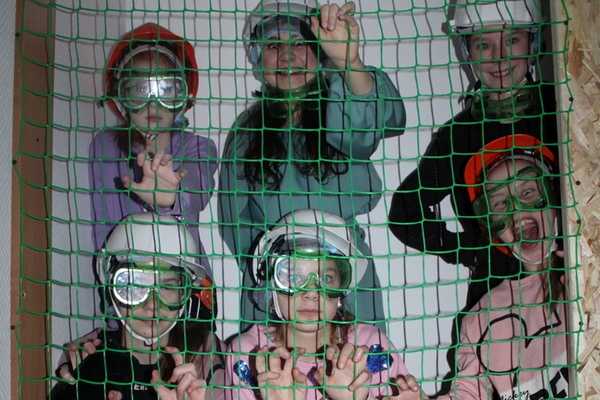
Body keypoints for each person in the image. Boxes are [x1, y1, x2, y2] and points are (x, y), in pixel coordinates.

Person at [218, 0, 406, 329]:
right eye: (274, 45)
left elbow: (381, 121)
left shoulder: (340, 104)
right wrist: (267, 272)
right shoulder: (246, 133)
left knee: (356, 358)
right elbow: (235, 221)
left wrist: (349, 63)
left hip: (344, 274)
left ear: (319, 53)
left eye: (299, 43)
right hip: (276, 283)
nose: (287, 56)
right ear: (258, 58)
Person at [388, 0, 558, 310]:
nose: (499, 56)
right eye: (484, 45)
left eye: (512, 40)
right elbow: (404, 211)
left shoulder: (561, 105)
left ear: (533, 43)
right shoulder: (459, 135)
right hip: (496, 301)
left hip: (573, 281)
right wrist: (471, 250)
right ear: (468, 52)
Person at [390, 134, 569, 398]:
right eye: (500, 203)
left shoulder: (584, 278)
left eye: (528, 192)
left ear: (553, 196)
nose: (515, 210)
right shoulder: (482, 318)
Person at [219, 209, 417, 400]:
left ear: (342, 290)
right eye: (293, 277)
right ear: (271, 287)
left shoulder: (372, 348)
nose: (311, 293)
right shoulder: (249, 355)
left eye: (326, 278)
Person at [50, 213, 223, 400]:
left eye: (167, 287)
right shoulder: (89, 359)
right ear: (112, 287)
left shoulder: (205, 353)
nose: (152, 304)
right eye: (135, 285)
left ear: (185, 293)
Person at [90, 22, 217, 259]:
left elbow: (196, 192)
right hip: (126, 276)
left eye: (165, 89)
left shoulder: (199, 148)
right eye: (139, 89)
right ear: (121, 98)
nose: (152, 102)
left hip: (185, 274)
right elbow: (102, 226)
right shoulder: (105, 147)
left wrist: (172, 197)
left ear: (183, 98)